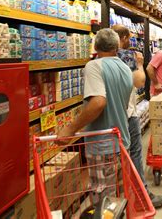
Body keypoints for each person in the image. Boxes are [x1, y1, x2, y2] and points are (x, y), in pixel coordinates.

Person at [57, 28, 133, 204]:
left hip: (102, 145)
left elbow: (98, 102)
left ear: (96, 46)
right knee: (119, 198)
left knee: (103, 202)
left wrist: (70, 128)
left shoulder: (94, 66)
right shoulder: (125, 68)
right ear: (116, 47)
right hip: (122, 142)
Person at [112, 25, 162, 209]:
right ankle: (142, 195)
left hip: (113, 115)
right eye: (129, 38)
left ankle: (118, 199)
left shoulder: (100, 61)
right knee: (134, 154)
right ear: (124, 37)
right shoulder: (127, 57)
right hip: (128, 114)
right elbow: (139, 81)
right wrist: (140, 64)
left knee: (117, 157)